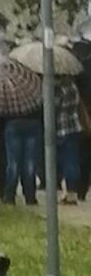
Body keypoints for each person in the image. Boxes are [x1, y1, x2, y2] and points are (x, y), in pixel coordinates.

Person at [3, 104, 41, 206]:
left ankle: (10, 194)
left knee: (13, 162)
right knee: (30, 163)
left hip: (13, 121)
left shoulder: (9, 91)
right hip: (32, 121)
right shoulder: (32, 91)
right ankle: (30, 195)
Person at [56, 77, 83, 205]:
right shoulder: (73, 86)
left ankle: (68, 192)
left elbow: (54, 107)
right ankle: (72, 192)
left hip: (61, 128)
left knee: (65, 161)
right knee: (73, 160)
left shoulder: (58, 89)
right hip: (74, 126)